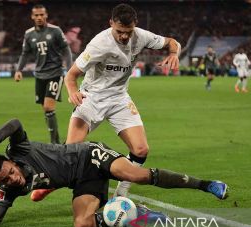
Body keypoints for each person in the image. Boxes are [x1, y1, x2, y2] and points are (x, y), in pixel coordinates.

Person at [0, 118, 228, 227]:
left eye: (10, 173)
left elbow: (14, 123)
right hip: (82, 181)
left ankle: (206, 185)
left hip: (88, 155)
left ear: (11, 162)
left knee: (136, 175)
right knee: (82, 224)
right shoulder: (9, 189)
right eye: (5, 181)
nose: (12, 180)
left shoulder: (20, 149)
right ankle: (137, 215)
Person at [33, 3, 181, 201]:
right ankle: (52, 181)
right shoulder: (99, 44)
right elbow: (71, 75)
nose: (124, 36)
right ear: (111, 23)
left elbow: (172, 42)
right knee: (70, 153)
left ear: (135, 25)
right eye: (119, 31)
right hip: (92, 97)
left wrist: (173, 54)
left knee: (141, 149)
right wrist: (73, 92)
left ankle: (121, 192)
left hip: (119, 98)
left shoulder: (141, 36)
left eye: (128, 32)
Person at [14, 4, 72, 144]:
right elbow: (25, 53)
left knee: (48, 106)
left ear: (46, 15)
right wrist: (18, 70)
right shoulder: (29, 34)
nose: (39, 17)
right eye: (36, 15)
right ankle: (55, 140)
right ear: (32, 17)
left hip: (55, 73)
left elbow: (66, 50)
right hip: (39, 75)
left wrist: (69, 69)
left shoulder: (55, 31)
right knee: (46, 111)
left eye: (41, 15)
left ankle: (54, 143)